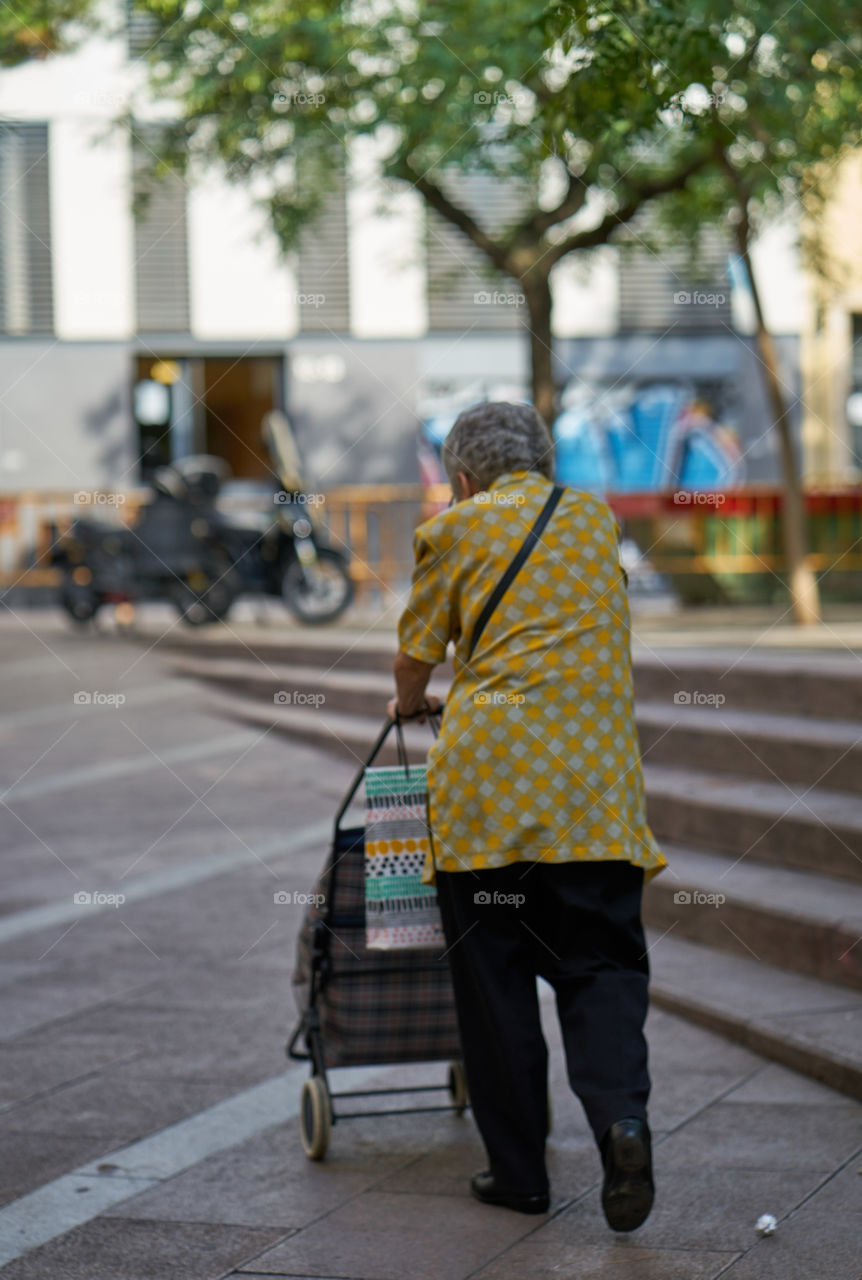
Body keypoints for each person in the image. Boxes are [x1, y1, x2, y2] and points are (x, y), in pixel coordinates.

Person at [387, 401, 666, 1231]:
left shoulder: (456, 529)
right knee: (602, 971)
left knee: (496, 985)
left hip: (489, 806)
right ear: (545, 466)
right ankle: (622, 1120)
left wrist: (409, 702)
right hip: (595, 800)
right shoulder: (591, 520)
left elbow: (418, 652)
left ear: (464, 478)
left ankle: (521, 1178)